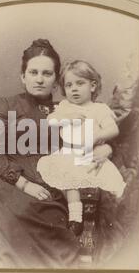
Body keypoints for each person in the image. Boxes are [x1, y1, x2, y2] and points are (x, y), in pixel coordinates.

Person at [0, 39, 113, 269]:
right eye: (33, 72)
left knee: (51, 215)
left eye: (47, 73)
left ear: (56, 80)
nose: (40, 79)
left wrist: (104, 148)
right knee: (20, 212)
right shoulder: (3, 106)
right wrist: (23, 184)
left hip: (52, 186)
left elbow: (92, 140)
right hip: (7, 180)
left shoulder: (66, 110)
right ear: (23, 76)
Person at [37, 60, 126, 236]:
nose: (74, 89)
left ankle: (103, 222)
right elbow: (50, 121)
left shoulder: (99, 109)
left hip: (89, 154)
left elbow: (113, 129)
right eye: (69, 85)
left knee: (107, 184)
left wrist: (97, 136)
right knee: (69, 181)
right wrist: (67, 118)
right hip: (68, 153)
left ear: (92, 86)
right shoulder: (65, 107)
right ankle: (75, 219)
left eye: (80, 83)